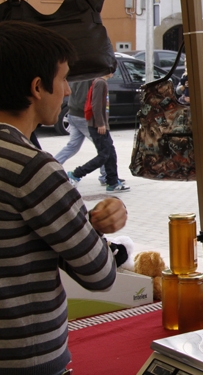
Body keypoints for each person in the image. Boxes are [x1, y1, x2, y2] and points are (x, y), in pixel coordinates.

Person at [0, 21, 127, 375]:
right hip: (26, 359)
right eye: (63, 80)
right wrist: (99, 229)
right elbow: (99, 273)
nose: (68, 92)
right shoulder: (32, 168)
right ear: (37, 87)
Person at [67, 73, 130, 192]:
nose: (113, 72)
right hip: (97, 126)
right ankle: (76, 174)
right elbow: (95, 105)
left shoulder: (100, 82)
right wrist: (100, 123)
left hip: (100, 126)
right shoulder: (100, 82)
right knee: (104, 155)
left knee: (110, 153)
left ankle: (112, 182)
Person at [54, 79, 116, 186]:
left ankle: (52, 167)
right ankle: (106, 176)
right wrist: (100, 123)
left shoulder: (79, 73)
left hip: (72, 113)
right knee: (105, 148)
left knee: (72, 146)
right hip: (84, 116)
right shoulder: (94, 78)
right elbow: (93, 101)